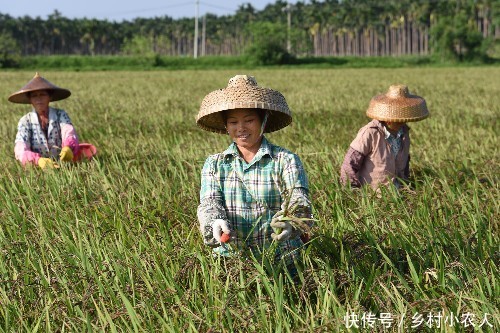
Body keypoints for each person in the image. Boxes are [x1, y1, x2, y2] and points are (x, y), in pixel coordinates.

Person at [196, 75, 313, 276]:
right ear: (226, 126)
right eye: (233, 122)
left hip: (282, 258)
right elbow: (209, 202)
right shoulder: (215, 164)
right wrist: (215, 222)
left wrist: (291, 222)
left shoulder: (285, 160)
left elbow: (299, 200)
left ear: (263, 120)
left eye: (249, 120)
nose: (241, 128)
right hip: (232, 260)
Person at [340, 84, 429, 190]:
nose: (403, 121)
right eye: (398, 118)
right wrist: (351, 190)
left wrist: (407, 184)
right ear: (388, 118)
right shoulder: (369, 133)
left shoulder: (404, 133)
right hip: (373, 195)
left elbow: (405, 163)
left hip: (400, 192)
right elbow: (350, 164)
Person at [8, 72, 96, 168]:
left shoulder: (60, 114)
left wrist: (68, 147)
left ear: (50, 97)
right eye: (34, 96)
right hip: (38, 166)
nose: (39, 99)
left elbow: (69, 132)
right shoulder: (25, 121)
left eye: (43, 94)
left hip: (63, 161)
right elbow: (20, 147)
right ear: (30, 100)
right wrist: (38, 160)